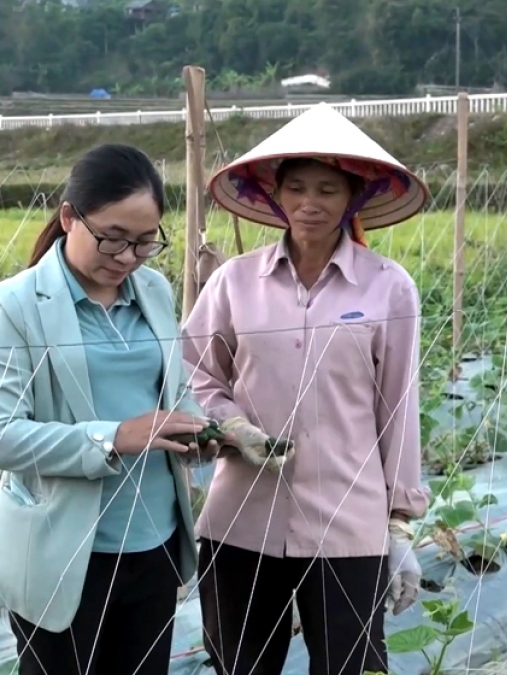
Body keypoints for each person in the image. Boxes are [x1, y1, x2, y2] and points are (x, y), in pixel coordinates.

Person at [181, 103, 433, 675]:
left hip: (348, 523)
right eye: (296, 188)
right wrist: (233, 425)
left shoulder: (388, 288)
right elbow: (192, 371)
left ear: (354, 198)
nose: (310, 204)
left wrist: (398, 525)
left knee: (350, 666)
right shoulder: (234, 281)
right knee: (241, 667)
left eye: (327, 189)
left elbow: (398, 409)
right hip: (241, 518)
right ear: (275, 195)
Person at [0, 143, 225, 675]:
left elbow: (172, 392)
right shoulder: (15, 305)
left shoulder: (152, 290)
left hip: (154, 544)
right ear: (69, 218)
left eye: (144, 242)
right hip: (62, 556)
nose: (128, 257)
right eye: (112, 238)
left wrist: (201, 427)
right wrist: (112, 436)